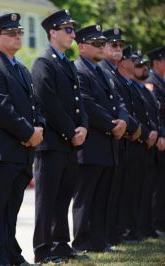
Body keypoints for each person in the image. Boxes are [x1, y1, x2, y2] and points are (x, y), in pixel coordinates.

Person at [0, 13, 45, 266]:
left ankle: (10, 252)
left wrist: (39, 127)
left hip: (22, 151)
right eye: (11, 33)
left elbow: (34, 105)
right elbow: (0, 109)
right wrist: (29, 133)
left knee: (12, 208)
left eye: (19, 32)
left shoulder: (22, 69)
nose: (18, 36)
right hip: (3, 151)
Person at [31, 9, 88, 263]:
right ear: (52, 32)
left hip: (69, 143)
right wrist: (70, 131)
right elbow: (49, 102)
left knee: (64, 195)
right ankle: (43, 249)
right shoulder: (44, 62)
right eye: (67, 29)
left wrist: (83, 126)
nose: (72, 34)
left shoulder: (65, 62)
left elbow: (79, 102)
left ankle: (61, 243)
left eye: (72, 29)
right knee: (47, 200)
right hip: (53, 143)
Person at [72, 25, 129, 252]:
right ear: (82, 46)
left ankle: (98, 239)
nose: (102, 47)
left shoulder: (103, 72)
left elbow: (119, 103)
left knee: (102, 197)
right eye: (97, 44)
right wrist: (112, 124)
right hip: (92, 144)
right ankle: (82, 241)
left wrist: (123, 121)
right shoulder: (79, 70)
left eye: (102, 44)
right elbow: (87, 104)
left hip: (108, 144)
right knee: (86, 196)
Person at [99, 29, 141, 245]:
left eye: (119, 46)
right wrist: (121, 125)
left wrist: (130, 124)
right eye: (113, 45)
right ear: (104, 48)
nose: (118, 49)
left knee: (117, 192)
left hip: (122, 139)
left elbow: (122, 106)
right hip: (112, 138)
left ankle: (114, 233)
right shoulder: (103, 71)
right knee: (109, 194)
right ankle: (110, 234)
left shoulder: (114, 73)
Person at [116, 46, 153, 242]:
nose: (139, 66)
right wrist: (143, 133)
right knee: (125, 192)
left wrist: (151, 133)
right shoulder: (123, 83)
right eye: (135, 62)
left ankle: (135, 229)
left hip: (139, 142)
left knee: (137, 191)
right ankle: (125, 231)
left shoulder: (133, 86)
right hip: (129, 141)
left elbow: (148, 114)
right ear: (124, 63)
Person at [130, 53, 161, 239]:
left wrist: (157, 132)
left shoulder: (145, 89)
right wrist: (146, 133)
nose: (144, 69)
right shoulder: (135, 89)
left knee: (146, 190)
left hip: (150, 143)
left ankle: (145, 226)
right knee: (137, 192)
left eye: (144, 65)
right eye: (139, 65)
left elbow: (153, 116)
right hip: (139, 142)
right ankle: (137, 228)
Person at [146, 46, 165, 237]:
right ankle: (156, 221)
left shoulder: (161, 82)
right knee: (157, 185)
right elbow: (156, 114)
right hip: (158, 140)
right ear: (157, 62)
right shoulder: (152, 83)